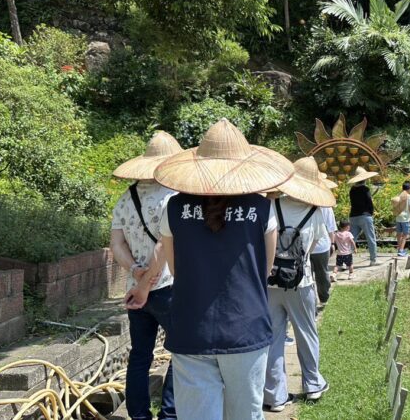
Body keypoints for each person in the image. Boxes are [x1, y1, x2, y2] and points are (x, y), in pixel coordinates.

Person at [126, 119, 295, 420]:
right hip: (247, 328)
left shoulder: (175, 208)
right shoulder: (263, 208)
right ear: (243, 166)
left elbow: (176, 270)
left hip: (191, 329)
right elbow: (264, 269)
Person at [109, 131, 182, 420]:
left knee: (140, 355)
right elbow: (163, 247)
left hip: (135, 291)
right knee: (182, 351)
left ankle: (139, 415)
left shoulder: (125, 199)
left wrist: (135, 272)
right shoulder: (174, 199)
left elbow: (116, 244)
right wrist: (147, 280)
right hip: (167, 286)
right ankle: (169, 414)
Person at [264, 157, 334, 412]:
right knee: (306, 332)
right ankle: (313, 384)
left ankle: (274, 396)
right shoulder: (316, 213)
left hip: (270, 282)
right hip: (300, 283)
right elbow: (313, 249)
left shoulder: (271, 205)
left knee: (273, 336)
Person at [310, 173, 338, 304]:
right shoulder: (326, 204)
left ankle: (311, 300)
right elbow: (331, 227)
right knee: (322, 273)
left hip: (304, 246)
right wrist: (332, 243)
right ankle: (324, 298)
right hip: (322, 246)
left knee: (307, 276)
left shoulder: (301, 202)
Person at [347, 166, 380, 266]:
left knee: (351, 239)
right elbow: (369, 203)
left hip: (353, 216)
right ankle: (373, 260)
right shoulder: (365, 189)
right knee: (370, 238)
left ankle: (345, 260)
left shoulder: (352, 190)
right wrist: (370, 213)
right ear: (364, 179)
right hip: (365, 216)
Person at [394, 181, 410, 257]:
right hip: (405, 219)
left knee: (399, 235)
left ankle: (400, 249)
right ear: (409, 189)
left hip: (398, 218)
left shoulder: (399, 196)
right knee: (405, 235)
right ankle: (401, 250)